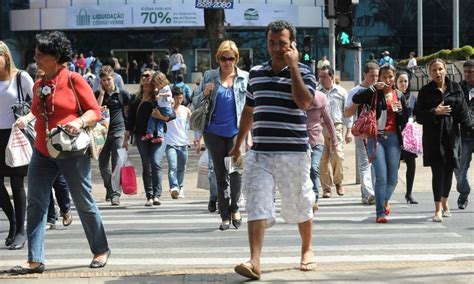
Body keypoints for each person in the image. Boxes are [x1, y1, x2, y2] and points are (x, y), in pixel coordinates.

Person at [10, 31, 110, 274]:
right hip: (43, 152)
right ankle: (35, 259)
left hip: (72, 153)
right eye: (35, 54)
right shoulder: (38, 85)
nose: (36, 59)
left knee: (83, 202)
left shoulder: (75, 80)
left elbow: (94, 112)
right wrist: (25, 118)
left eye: (40, 55)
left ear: (55, 57)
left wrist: (78, 122)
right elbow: (35, 112)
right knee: (36, 204)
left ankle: (100, 249)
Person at [230, 20, 317, 280]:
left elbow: (303, 102)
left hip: (294, 152)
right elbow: (249, 110)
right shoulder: (256, 73)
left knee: (300, 201)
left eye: (282, 43)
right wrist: (238, 144)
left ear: (292, 45)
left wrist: (293, 68)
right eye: (271, 43)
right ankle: (254, 261)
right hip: (261, 153)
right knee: (256, 201)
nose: (276, 48)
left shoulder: (305, 72)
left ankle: (307, 249)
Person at [193, 40, 249, 231]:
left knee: (236, 172)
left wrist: (249, 136)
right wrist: (205, 93)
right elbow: (195, 104)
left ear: (236, 59)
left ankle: (235, 208)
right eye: (223, 58)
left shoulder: (244, 78)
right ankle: (224, 214)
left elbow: (250, 108)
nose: (227, 62)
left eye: (230, 58)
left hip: (236, 133)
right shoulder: (209, 76)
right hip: (213, 133)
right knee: (220, 174)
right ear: (218, 59)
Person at [415, 58, 474, 222]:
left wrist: (470, 127)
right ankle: (437, 209)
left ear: (445, 70)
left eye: (440, 69)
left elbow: (464, 115)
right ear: (429, 73)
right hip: (433, 138)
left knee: (448, 172)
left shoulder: (456, 89)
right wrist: (435, 112)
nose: (437, 72)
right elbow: (419, 116)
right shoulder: (425, 91)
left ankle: (445, 202)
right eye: (434, 70)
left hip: (452, 137)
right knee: (438, 172)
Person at [353, 64, 409, 223]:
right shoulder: (373, 94)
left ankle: (384, 200)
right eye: (384, 77)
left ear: (394, 77)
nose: (388, 80)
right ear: (379, 78)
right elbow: (357, 99)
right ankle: (380, 213)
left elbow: (404, 119)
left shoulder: (399, 95)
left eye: (391, 77)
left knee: (393, 179)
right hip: (376, 138)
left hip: (393, 139)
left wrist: (399, 111)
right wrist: (372, 88)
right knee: (381, 177)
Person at [0, 41, 34, 250]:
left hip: (16, 134)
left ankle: (21, 231)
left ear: (5, 56)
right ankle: (12, 222)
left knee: (16, 182)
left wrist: (27, 119)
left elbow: (38, 105)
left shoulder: (21, 77)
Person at [124, 70, 176, 207]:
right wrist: (126, 136)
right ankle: (149, 195)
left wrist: (162, 117)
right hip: (141, 135)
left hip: (158, 135)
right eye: (142, 76)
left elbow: (172, 114)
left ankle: (157, 195)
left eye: (148, 76)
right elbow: (130, 119)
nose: (144, 78)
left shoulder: (158, 97)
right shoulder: (135, 98)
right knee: (146, 165)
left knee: (155, 162)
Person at [344, 62, 379, 205]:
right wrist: (357, 103)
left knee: (376, 163)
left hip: (378, 132)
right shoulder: (356, 91)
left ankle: (367, 194)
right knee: (365, 164)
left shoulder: (379, 89)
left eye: (377, 76)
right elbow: (347, 112)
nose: (375, 79)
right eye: (372, 76)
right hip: (362, 132)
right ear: (365, 74)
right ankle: (370, 193)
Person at [95, 65, 131, 205]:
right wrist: (102, 94)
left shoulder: (123, 94)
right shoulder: (97, 94)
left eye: (108, 79)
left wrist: (128, 134)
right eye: (103, 80)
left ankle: (116, 193)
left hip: (118, 131)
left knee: (117, 163)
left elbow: (128, 114)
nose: (106, 83)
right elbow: (95, 111)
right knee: (103, 165)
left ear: (114, 78)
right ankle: (109, 189)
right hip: (101, 134)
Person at [317, 65, 353, 198]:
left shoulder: (341, 92)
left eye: (324, 76)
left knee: (337, 155)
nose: (321, 79)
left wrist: (349, 130)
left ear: (331, 77)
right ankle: (326, 188)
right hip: (320, 128)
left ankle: (338, 182)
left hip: (336, 126)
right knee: (322, 159)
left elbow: (348, 113)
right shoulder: (316, 92)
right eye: (320, 76)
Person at [307, 90, 338, 210]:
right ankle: (304, 198)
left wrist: (334, 139)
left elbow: (328, 120)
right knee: (302, 172)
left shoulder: (320, 98)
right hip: (299, 141)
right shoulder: (294, 96)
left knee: (313, 168)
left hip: (316, 140)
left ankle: (314, 199)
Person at [396, 71, 419, 204]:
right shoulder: (393, 96)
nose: (403, 84)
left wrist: (413, 120)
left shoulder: (413, 97)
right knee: (395, 165)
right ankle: (388, 191)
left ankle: (409, 193)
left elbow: (417, 113)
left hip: (409, 133)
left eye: (405, 81)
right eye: (401, 81)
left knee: (411, 164)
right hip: (396, 133)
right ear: (396, 82)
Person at [165, 86, 191, 198]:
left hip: (183, 143)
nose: (179, 100)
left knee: (181, 168)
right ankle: (174, 187)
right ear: (172, 98)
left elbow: (191, 123)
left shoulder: (185, 110)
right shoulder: (167, 110)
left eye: (181, 98)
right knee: (173, 166)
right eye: (177, 98)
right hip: (170, 143)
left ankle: (180, 187)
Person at [455, 60, 474, 210]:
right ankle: (464, 193)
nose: (467, 74)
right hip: (465, 135)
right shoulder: (459, 88)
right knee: (460, 169)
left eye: (471, 71)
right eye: (465, 71)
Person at [143, 72, 173, 144]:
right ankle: (160, 136)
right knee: (160, 122)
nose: (156, 87)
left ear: (161, 81)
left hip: (164, 108)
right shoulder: (161, 88)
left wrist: (160, 94)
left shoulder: (166, 87)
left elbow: (169, 94)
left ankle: (150, 132)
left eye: (157, 84)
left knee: (152, 117)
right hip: (163, 107)